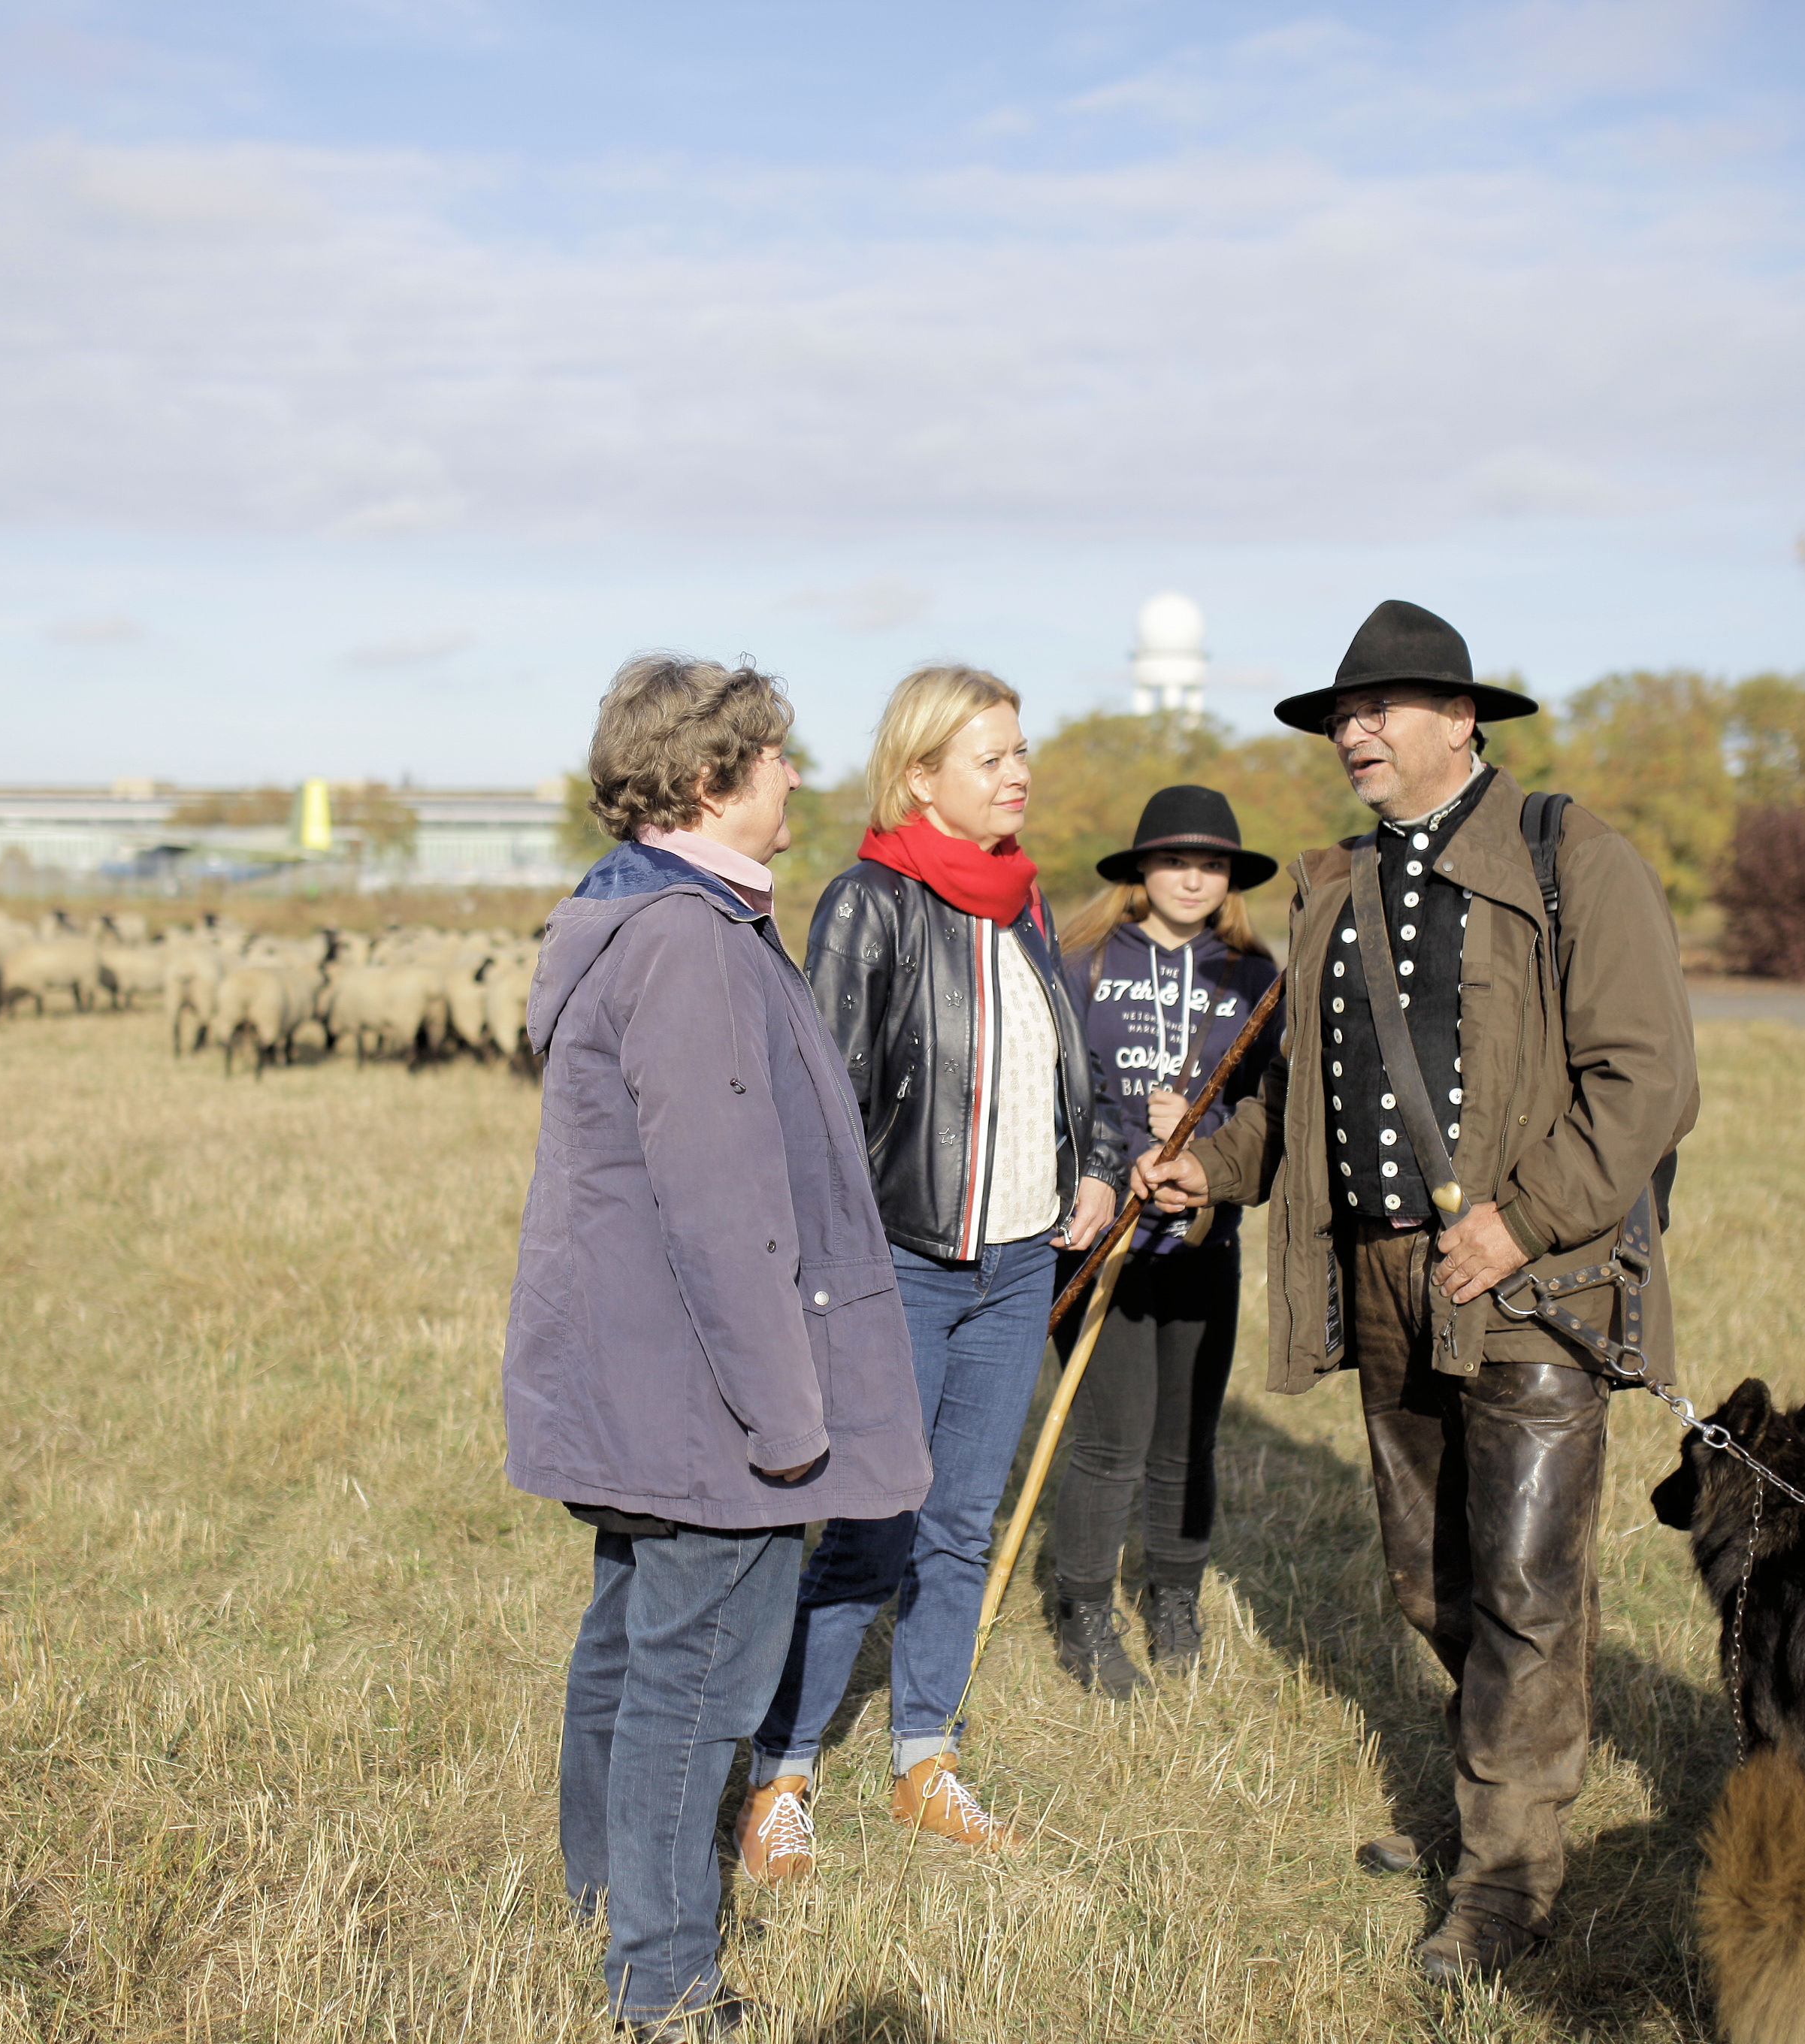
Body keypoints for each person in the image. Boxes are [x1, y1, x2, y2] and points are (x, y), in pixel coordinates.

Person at [1134, 600, 1697, 1984]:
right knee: (1426, 1577)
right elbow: (1304, 1106)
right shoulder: (1339, 885)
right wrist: (1209, 1169)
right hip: (1383, 1279)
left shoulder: (1575, 857)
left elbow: (1649, 1079)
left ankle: (1507, 1882)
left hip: (1533, 1275)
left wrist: (1524, 1224)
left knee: (1521, 1582)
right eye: (1341, 713)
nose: (1355, 732)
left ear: (1464, 721)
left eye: (1383, 709)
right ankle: (1493, 1802)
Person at [504, 654, 930, 2039]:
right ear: (708, 780)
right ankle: (666, 1978)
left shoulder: (639, 915)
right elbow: (726, 1206)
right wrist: (787, 1419)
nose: (797, 776)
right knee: (696, 1676)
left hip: (641, 1384)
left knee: (630, 1644)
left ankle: (604, 1906)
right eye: (775, 757)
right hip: (703, 1402)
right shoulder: (689, 940)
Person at [736, 664, 1123, 1880]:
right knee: (869, 1525)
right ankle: (782, 1769)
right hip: (902, 1269)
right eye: (992, 756)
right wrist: (829, 1281)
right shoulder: (869, 903)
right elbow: (829, 1103)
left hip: (1018, 1269)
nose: (1020, 773)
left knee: (961, 1524)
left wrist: (1099, 1167)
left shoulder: (1026, 905)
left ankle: (922, 1753)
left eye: (1021, 752)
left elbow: (1071, 1065)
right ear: (921, 775)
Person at [1042, 785, 1280, 1698]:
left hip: (1203, 1239)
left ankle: (1174, 1597)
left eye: (1212, 862)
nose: (1193, 875)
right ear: (1140, 869)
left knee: (1188, 1435)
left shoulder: (1257, 979)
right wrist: (1107, 1164)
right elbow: (1063, 1093)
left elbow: (1270, 1109)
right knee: (1111, 1437)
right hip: (1103, 1239)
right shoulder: (1083, 961)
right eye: (1176, 858)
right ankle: (1085, 1611)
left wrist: (1206, 1134)